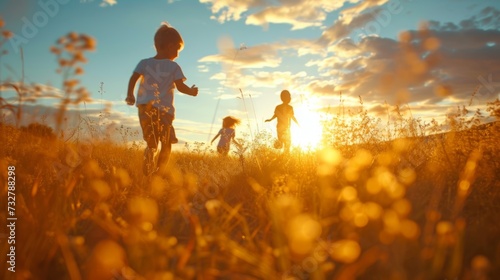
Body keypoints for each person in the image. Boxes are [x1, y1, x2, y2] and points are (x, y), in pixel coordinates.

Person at [125, 23, 198, 175]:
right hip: (164, 111)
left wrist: (130, 94)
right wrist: (191, 91)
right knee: (166, 143)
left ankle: (147, 173)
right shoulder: (174, 66)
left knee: (151, 144)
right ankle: (159, 173)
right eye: (177, 48)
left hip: (145, 108)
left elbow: (134, 78)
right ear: (170, 46)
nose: (178, 53)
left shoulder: (144, 63)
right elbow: (180, 86)